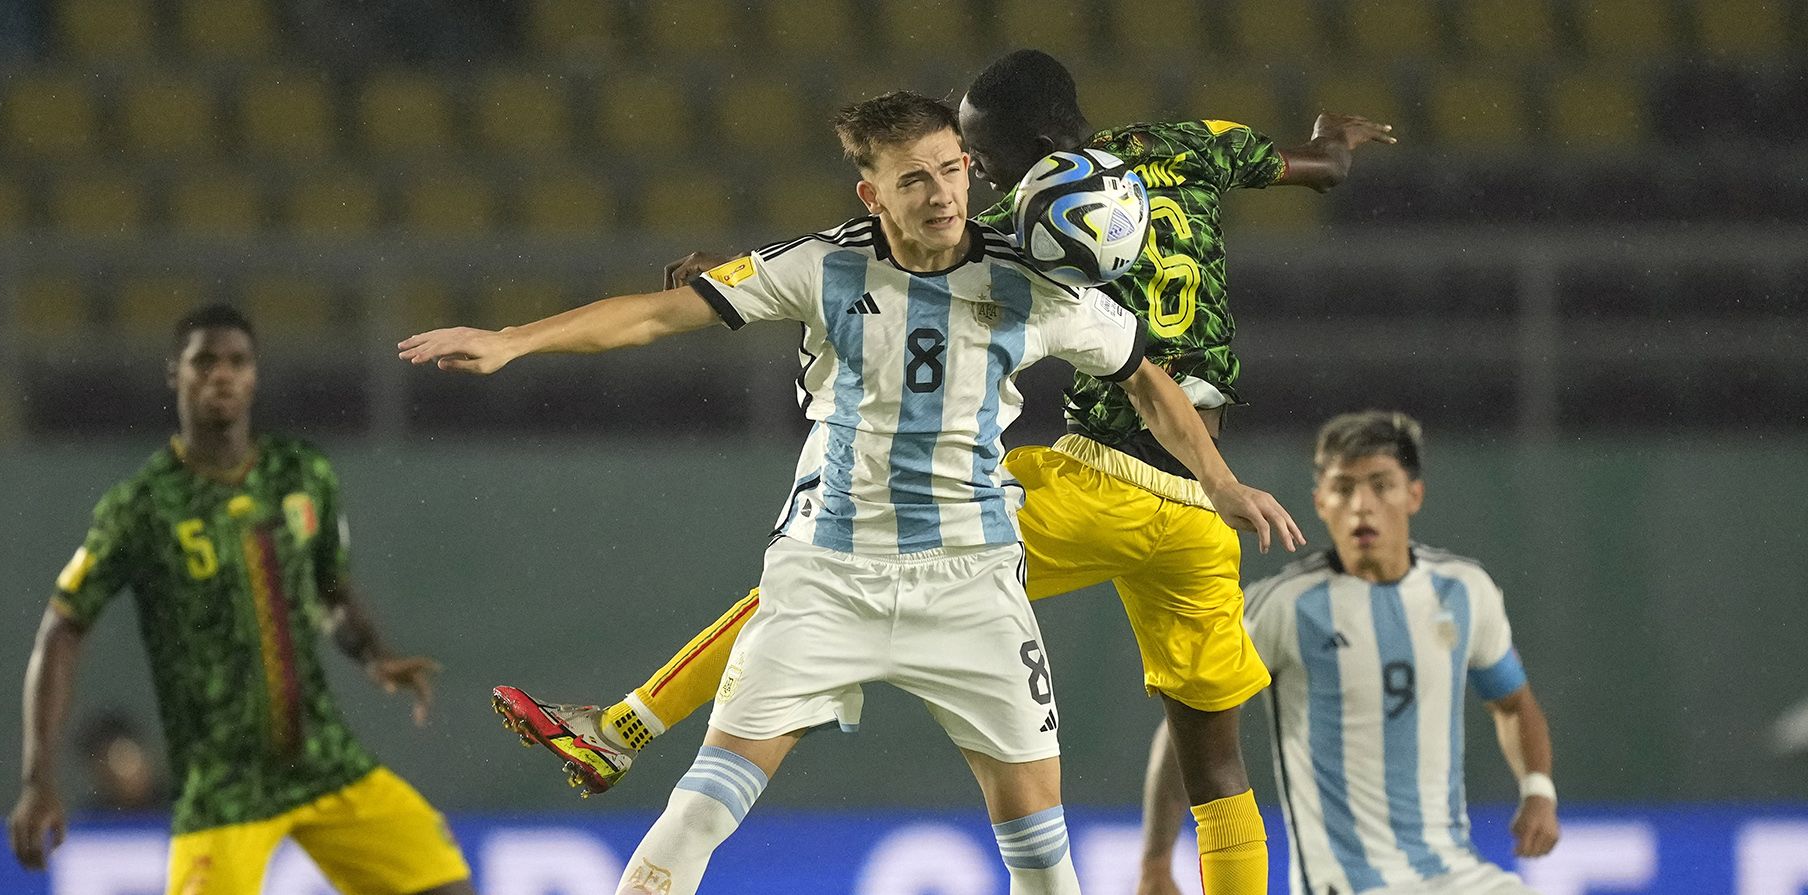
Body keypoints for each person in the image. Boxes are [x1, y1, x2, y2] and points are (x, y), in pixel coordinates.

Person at [493, 48, 1392, 894]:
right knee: (1218, 766)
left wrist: (722, 278)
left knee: (859, 545)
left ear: (1032, 149)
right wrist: (1336, 139)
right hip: (1199, 501)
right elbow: (1319, 169)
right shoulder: (1183, 146)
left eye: (978, 160)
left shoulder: (1017, 227)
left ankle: (623, 725)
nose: (977, 181)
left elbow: (890, 258)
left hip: (1091, 484)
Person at [7, 305, 474, 895]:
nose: (222, 375)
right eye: (204, 362)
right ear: (175, 374)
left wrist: (373, 653)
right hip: (221, 787)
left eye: (237, 361)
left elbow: (329, 588)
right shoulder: (142, 507)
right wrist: (37, 778)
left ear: (255, 376)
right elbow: (63, 628)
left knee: (447, 887)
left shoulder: (302, 473)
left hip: (324, 762)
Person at [1144, 411, 1561, 894]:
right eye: (1343, 489)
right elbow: (1190, 729)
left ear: (1414, 495)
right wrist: (1156, 863)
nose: (1362, 506)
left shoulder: (1465, 591)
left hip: (1456, 875)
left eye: (1381, 485)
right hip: (1343, 884)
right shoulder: (1283, 607)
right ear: (1320, 502)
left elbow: (1513, 704)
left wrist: (1538, 790)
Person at [77, 710, 163, 813]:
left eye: (124, 757)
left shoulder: (172, 808)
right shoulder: (92, 818)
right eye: (103, 764)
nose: (116, 772)